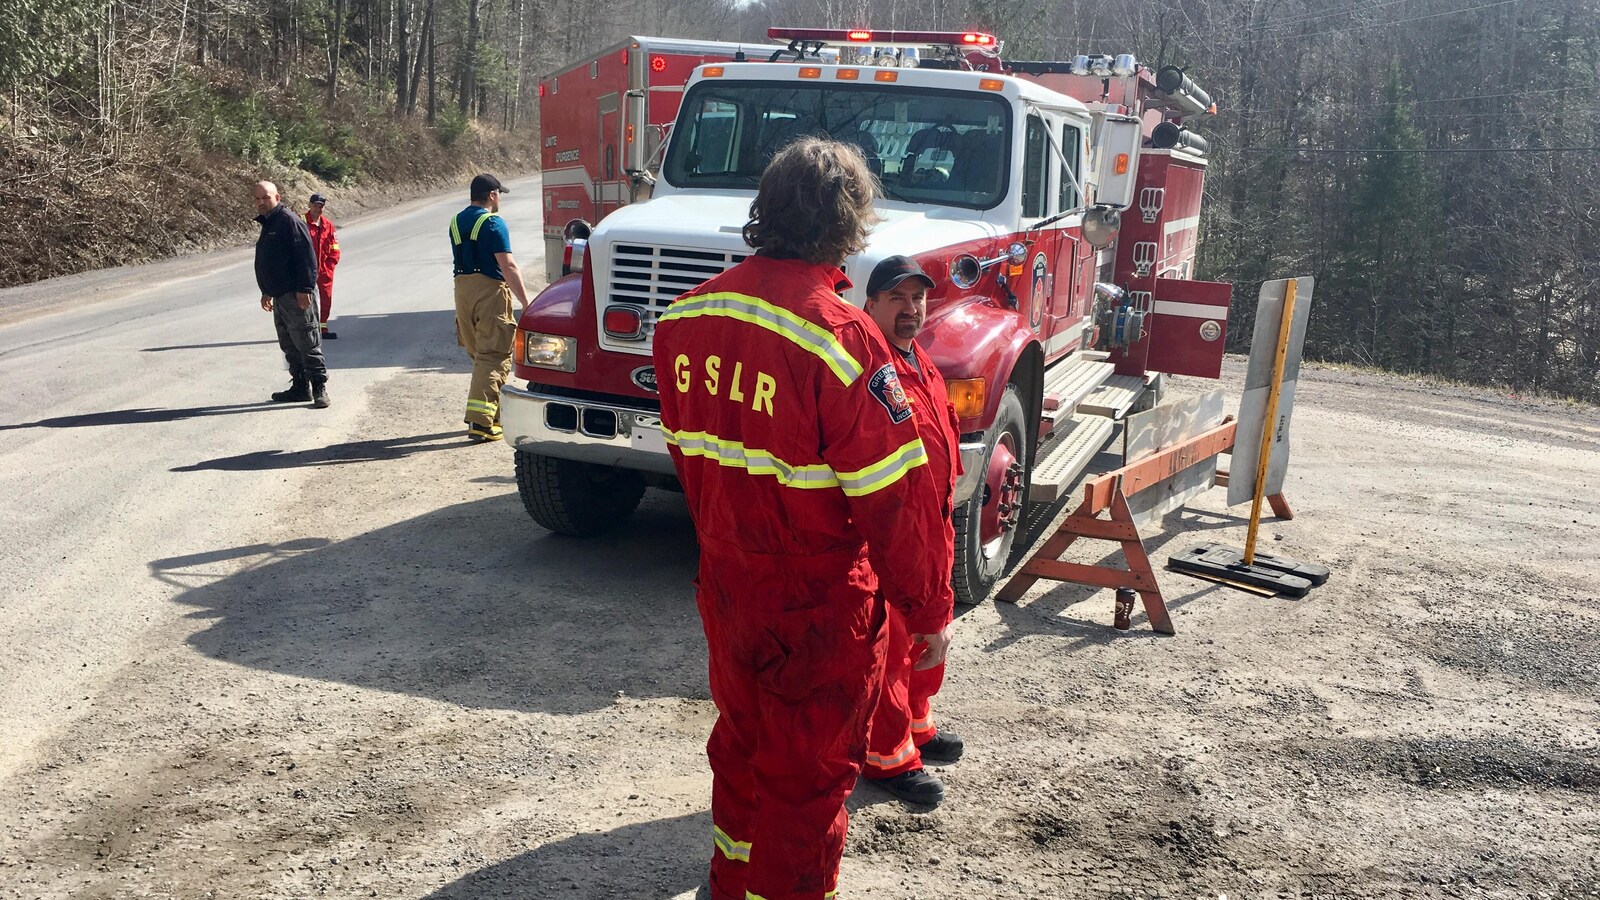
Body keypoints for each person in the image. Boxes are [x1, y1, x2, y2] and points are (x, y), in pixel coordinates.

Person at [652, 137, 955, 900]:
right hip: (816, 606)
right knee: (808, 781)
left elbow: (695, 462)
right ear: (850, 226)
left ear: (766, 208)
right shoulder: (846, 340)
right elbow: (899, 503)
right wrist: (928, 609)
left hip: (726, 589)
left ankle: (732, 887)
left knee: (744, 750)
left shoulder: (684, 320)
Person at [860, 255, 964, 807]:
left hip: (935, 520)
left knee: (932, 625)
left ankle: (919, 722)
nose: (910, 309)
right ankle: (888, 755)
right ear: (870, 304)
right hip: (899, 526)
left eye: (917, 298)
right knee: (895, 639)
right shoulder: (873, 367)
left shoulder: (919, 359)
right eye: (896, 299)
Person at [450, 173, 530, 442]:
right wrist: (526, 302)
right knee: (494, 355)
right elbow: (507, 265)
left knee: (478, 353)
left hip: (462, 290)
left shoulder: (456, 221)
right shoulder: (494, 223)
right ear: (492, 195)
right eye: (499, 195)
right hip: (488, 292)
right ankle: (481, 422)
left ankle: (492, 412)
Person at [252, 180, 329, 408]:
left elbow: (307, 257)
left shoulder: (288, 221)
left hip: (297, 295)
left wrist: (304, 289)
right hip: (279, 296)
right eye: (257, 198)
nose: (261, 202)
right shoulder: (269, 222)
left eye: (266, 197)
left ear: (277, 196)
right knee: (289, 344)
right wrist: (267, 290)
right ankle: (299, 387)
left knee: (307, 341)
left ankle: (319, 388)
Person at [304, 192, 342, 339]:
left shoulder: (328, 225)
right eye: (315, 205)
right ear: (309, 205)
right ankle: (307, 331)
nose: (318, 209)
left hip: (325, 270)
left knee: (326, 299)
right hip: (306, 269)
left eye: (321, 206)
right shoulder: (301, 222)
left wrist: (330, 265)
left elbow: (335, 248)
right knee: (305, 301)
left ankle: (322, 329)